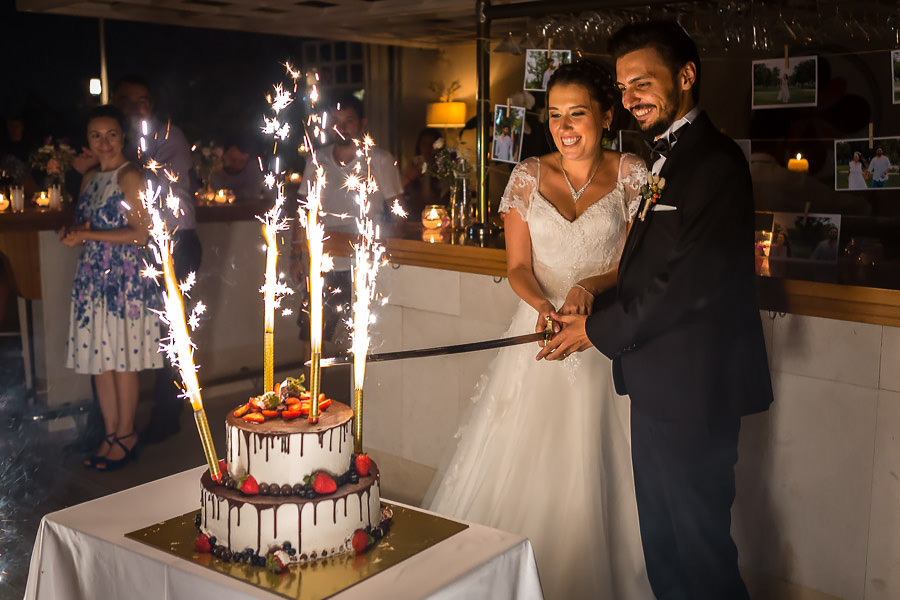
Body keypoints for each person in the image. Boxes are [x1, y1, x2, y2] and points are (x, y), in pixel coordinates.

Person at [539, 22, 773, 599]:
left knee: (700, 554)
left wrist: (596, 331)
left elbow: (687, 284)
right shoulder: (664, 159)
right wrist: (593, 299)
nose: (630, 97)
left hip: (695, 387)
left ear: (687, 76)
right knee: (663, 547)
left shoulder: (714, 163)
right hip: (656, 382)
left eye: (642, 82)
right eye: (622, 88)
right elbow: (647, 268)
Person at [425, 60, 652, 600]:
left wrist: (591, 287)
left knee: (605, 474)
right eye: (554, 116)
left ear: (606, 114)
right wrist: (543, 307)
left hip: (606, 338)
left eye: (578, 114)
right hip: (540, 332)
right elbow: (518, 267)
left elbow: (636, 261)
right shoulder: (525, 176)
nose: (565, 127)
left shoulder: (633, 174)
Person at [61, 105, 162, 471]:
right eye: (95, 136)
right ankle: (110, 435)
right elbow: (86, 223)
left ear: (123, 137)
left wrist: (85, 233)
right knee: (100, 363)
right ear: (87, 140)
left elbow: (140, 234)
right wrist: (75, 234)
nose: (103, 143)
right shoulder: (89, 179)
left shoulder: (130, 175)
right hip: (92, 279)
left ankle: (126, 435)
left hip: (124, 280)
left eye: (111, 135)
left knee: (123, 362)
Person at [290, 95, 402, 359]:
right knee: (311, 332)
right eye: (337, 122)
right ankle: (311, 393)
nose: (342, 128)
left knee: (364, 335)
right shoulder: (317, 160)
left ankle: (362, 395)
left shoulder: (380, 160)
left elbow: (397, 211)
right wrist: (295, 254)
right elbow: (304, 209)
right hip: (325, 263)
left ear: (361, 123)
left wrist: (389, 250)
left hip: (364, 265)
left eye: (348, 121)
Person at [209, 132, 264, 202]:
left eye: (242, 161)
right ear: (223, 154)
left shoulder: (251, 166)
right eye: (232, 160)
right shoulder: (211, 165)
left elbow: (254, 193)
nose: (237, 164)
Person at [401, 127, 443, 216]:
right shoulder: (412, 165)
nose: (427, 149)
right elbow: (397, 189)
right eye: (424, 144)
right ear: (419, 145)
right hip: (414, 215)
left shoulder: (443, 168)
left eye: (431, 145)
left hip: (438, 215)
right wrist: (411, 176)